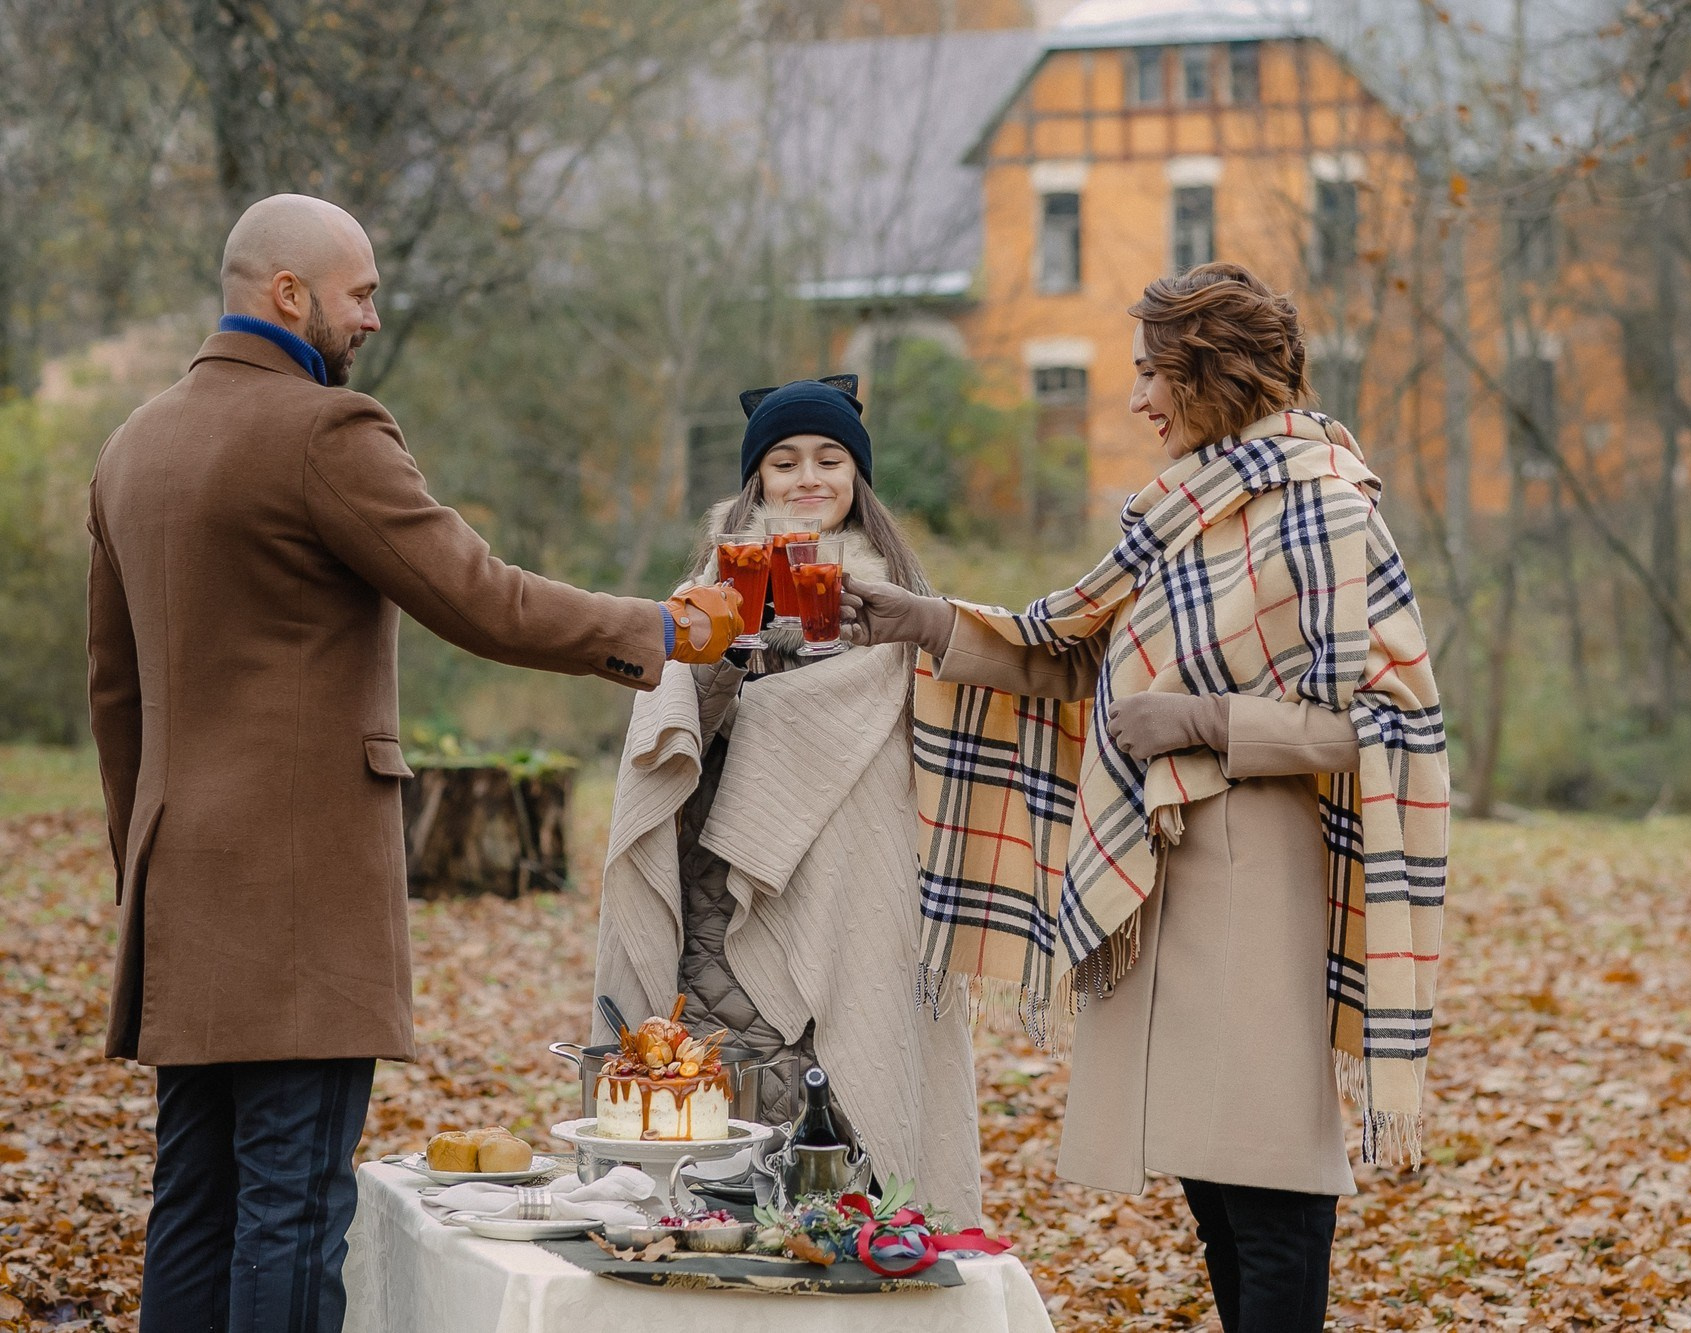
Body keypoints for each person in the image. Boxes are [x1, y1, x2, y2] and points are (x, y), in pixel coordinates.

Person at [85, 193, 744, 1333]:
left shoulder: (133, 444)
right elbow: (479, 596)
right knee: (291, 1202)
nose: (372, 318)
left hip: (180, 885)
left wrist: (145, 860)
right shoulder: (321, 432)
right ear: (288, 295)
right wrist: (663, 625)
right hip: (299, 892)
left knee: (194, 1197)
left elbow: (114, 694)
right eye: (361, 293)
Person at [843, 263, 1449, 1333]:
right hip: (1165, 889)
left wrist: (1200, 721)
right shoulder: (1183, 512)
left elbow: (1386, 722)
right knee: (1211, 1183)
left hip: (1262, 889)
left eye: (1150, 374)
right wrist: (921, 622)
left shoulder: (1324, 511)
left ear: (1210, 373)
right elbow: (1075, 651)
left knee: (1270, 1187)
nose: (1135, 400)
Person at [591, 377, 982, 1227]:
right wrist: (725, 659)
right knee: (736, 1119)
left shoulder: (896, 598)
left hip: (859, 899)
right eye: (785, 460)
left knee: (848, 1133)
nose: (809, 476)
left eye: (830, 459)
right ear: (756, 477)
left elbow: (935, 749)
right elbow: (667, 738)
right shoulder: (711, 586)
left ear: (857, 475)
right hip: (724, 887)